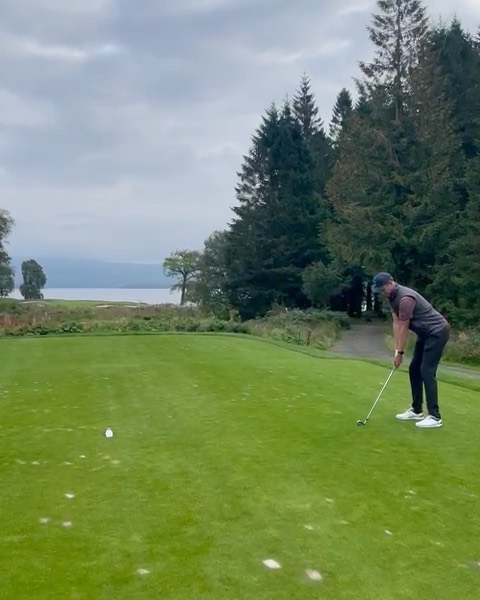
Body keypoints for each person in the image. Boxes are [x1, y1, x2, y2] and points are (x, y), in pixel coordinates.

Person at [372, 272, 450, 429]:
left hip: (437, 332)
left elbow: (403, 327)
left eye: (383, 289)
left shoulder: (405, 299)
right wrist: (396, 351)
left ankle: (435, 416)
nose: (382, 293)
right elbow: (396, 323)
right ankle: (416, 410)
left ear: (390, 283)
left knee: (426, 371)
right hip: (425, 334)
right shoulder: (391, 298)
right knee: (414, 368)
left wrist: (400, 353)